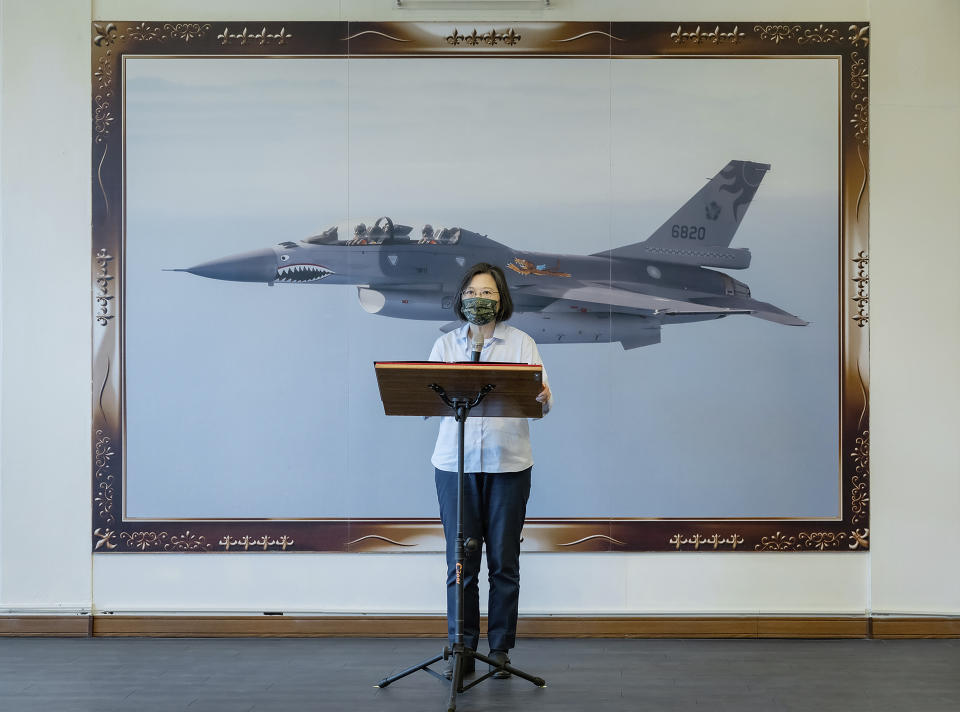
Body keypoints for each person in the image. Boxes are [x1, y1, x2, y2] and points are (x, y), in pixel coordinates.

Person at [428, 262, 553, 679]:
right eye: (472, 293)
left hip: (508, 464)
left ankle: (499, 651)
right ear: (460, 298)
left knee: (504, 562)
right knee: (461, 562)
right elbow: (426, 401)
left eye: (487, 294)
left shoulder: (522, 344)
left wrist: (543, 396)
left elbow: (542, 403)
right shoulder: (446, 346)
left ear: (502, 300)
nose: (478, 300)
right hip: (455, 466)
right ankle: (461, 649)